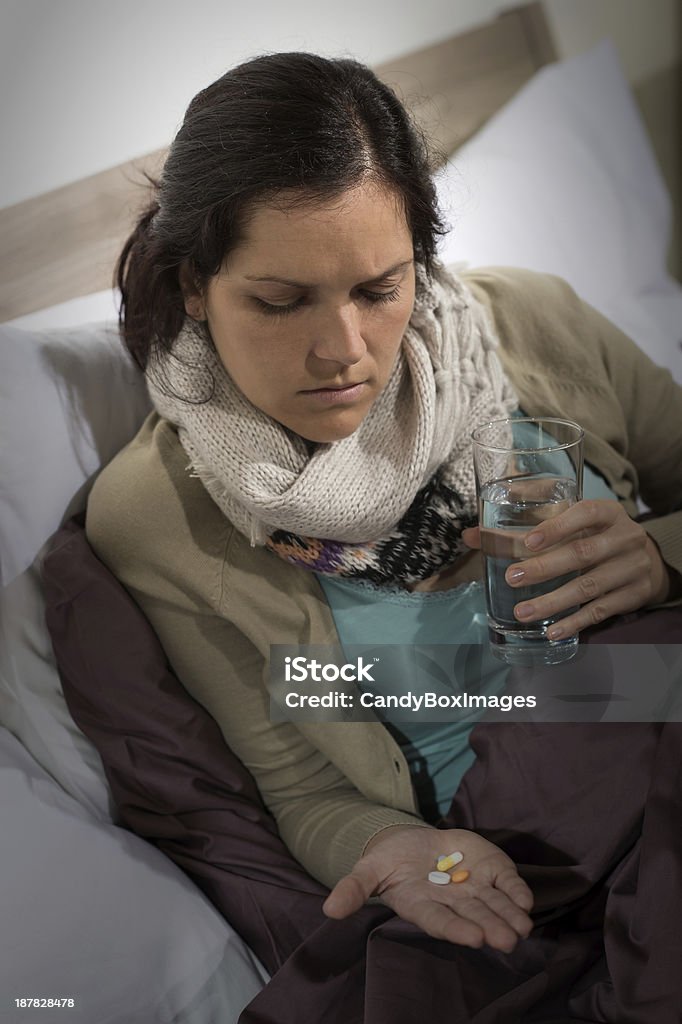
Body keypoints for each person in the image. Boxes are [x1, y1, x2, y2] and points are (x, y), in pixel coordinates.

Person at [85, 51, 682, 969]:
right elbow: (308, 794)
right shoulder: (161, 514)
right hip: (530, 839)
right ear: (193, 285)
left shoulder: (528, 322)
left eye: (381, 288)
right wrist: (397, 852)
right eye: (281, 302)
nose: (344, 350)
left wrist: (661, 555)